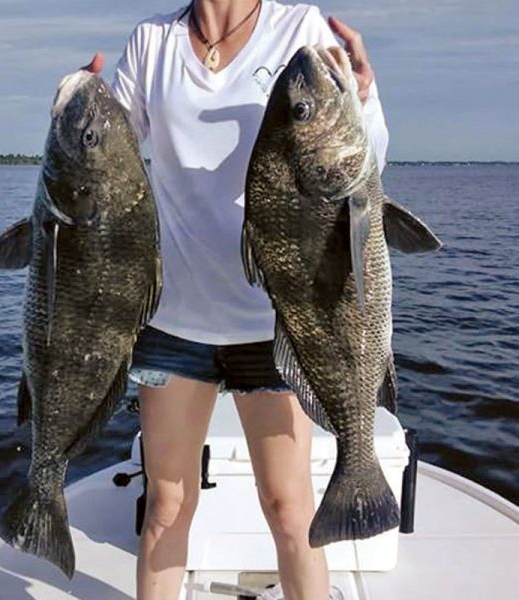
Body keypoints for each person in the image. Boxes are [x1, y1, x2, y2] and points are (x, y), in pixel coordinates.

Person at [88, 2, 388, 598]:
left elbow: (362, 162)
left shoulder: (300, 29)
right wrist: (81, 119)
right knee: (167, 505)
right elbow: (109, 153)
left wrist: (366, 97)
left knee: (288, 506)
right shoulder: (153, 42)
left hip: (278, 318)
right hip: (173, 317)